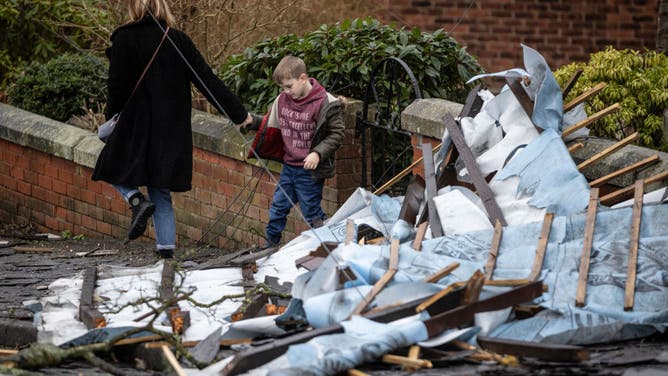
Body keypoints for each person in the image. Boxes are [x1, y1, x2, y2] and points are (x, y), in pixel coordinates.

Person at [92, 0, 252, 258]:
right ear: (163, 7)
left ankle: (136, 200)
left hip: (136, 125)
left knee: (108, 167)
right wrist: (238, 114)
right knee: (160, 188)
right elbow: (206, 80)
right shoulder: (178, 40)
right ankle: (166, 253)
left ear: (133, 8)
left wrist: (112, 119)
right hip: (170, 130)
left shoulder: (124, 38)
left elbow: (116, 88)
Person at [247, 55, 344, 248]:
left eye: (289, 86)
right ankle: (270, 247)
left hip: (309, 171)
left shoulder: (325, 102)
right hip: (289, 167)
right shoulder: (282, 100)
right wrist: (252, 121)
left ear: (303, 78)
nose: (286, 91)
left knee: (311, 213)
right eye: (283, 88)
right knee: (277, 209)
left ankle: (328, 247)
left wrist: (317, 153)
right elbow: (271, 124)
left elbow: (337, 134)